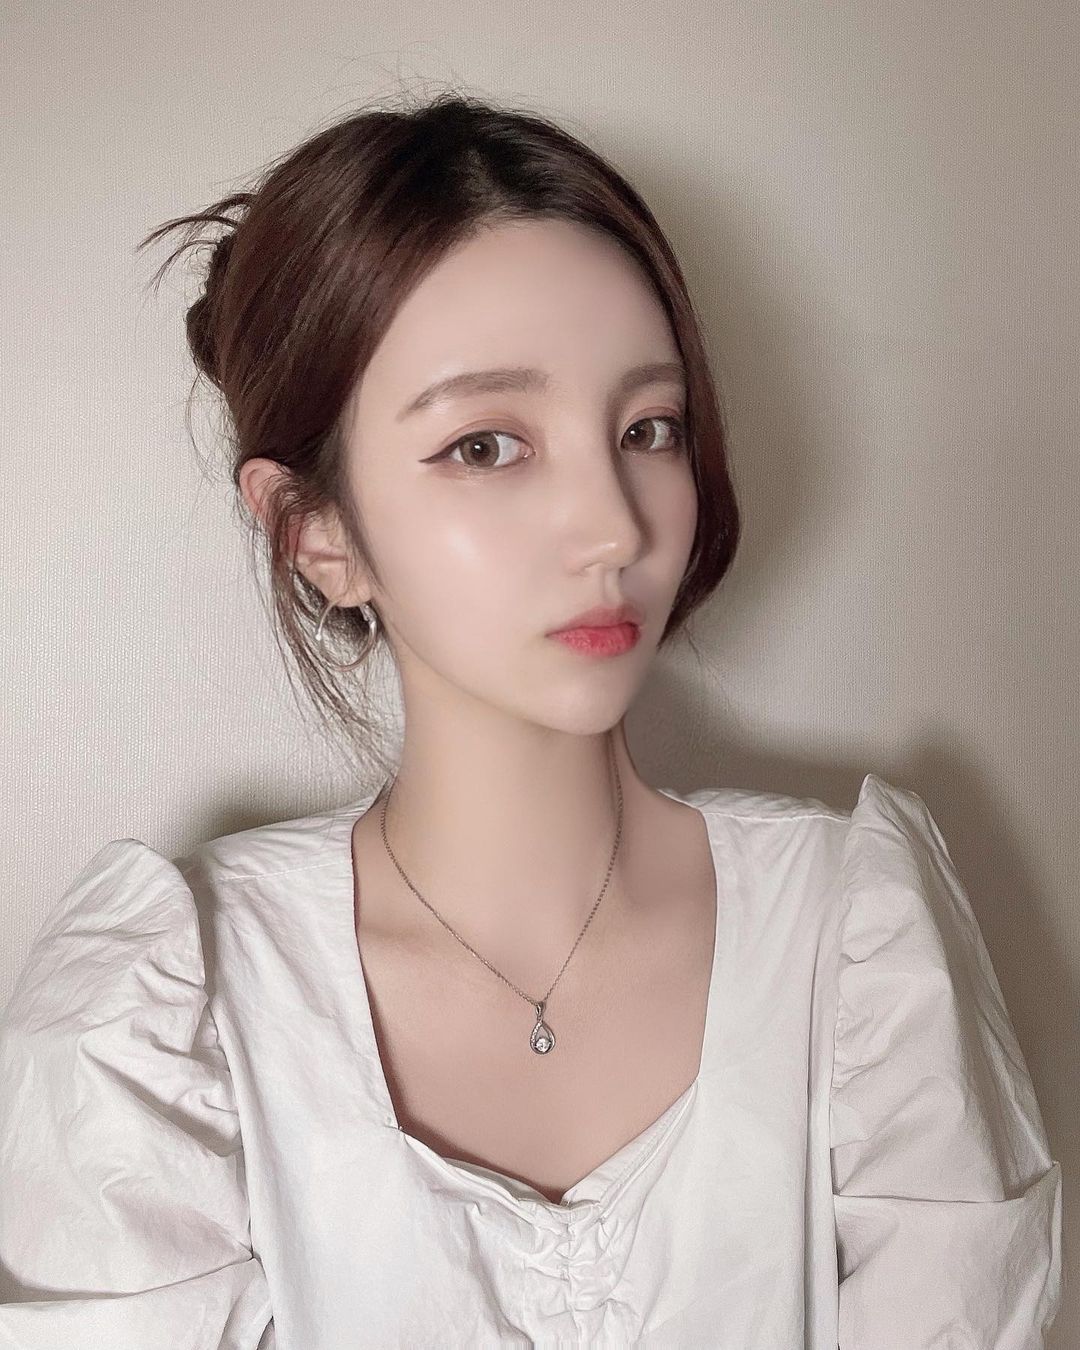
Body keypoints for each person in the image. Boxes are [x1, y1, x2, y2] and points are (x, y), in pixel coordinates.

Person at [0, 91, 1062, 1349]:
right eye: (487, 446)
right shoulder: (170, 1017)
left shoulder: (857, 942)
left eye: (648, 429)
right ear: (315, 531)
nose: (614, 525)